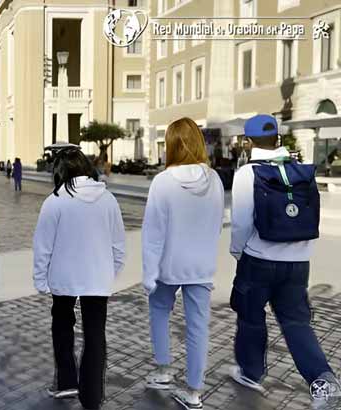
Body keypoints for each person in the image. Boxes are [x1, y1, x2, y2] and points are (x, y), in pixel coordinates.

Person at [228, 114, 339, 408]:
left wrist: (238, 251)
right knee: (296, 322)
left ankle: (250, 373)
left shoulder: (247, 173)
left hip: (259, 260)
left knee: (251, 318)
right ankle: (323, 381)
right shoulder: (298, 169)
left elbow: (240, 222)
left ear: (248, 142)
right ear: (277, 138)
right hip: (298, 262)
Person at [33, 145, 125, 410]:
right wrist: (111, 271)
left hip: (63, 278)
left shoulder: (55, 201)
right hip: (97, 277)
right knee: (96, 335)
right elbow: (118, 243)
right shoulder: (108, 199)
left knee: (62, 327)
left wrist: (40, 280)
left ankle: (66, 381)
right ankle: (92, 395)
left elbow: (43, 247)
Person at [141, 118, 225, 410]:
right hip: (201, 264)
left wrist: (149, 273)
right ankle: (194, 390)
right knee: (199, 326)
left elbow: (153, 232)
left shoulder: (163, 181)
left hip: (168, 264)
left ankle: (164, 370)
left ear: (171, 145)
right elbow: (217, 222)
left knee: (160, 312)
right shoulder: (213, 179)